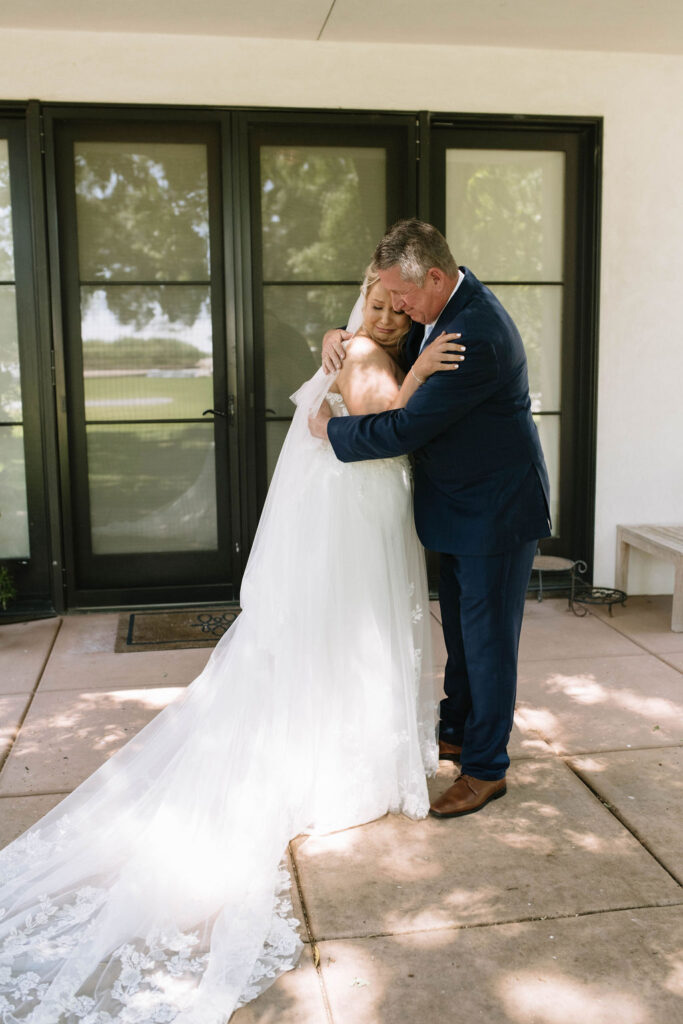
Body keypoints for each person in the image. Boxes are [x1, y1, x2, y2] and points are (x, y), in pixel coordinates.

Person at [0, 269, 463, 1023]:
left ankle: (344, 732)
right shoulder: (370, 358)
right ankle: (346, 752)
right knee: (358, 624)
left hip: (356, 509)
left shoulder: (349, 350)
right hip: (359, 509)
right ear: (364, 300)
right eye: (372, 303)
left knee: (350, 629)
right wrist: (407, 370)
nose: (381, 315)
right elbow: (390, 426)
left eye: (391, 306)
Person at [311, 219, 551, 819]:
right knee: (464, 639)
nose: (399, 308)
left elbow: (404, 428)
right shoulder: (441, 311)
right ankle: (457, 733)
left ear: (435, 278)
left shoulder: (474, 335)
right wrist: (338, 334)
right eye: (387, 298)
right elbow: (387, 355)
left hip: (495, 513)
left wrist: (329, 430)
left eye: (405, 297)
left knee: (490, 643)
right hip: (459, 506)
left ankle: (486, 770)